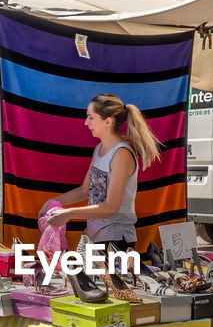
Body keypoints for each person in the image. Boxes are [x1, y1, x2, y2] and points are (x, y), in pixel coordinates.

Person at [39, 93, 161, 253]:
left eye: (90, 117)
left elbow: (111, 206)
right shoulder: (99, 149)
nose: (86, 122)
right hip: (94, 237)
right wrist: (53, 201)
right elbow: (84, 190)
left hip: (115, 239)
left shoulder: (121, 154)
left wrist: (68, 213)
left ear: (107, 122)